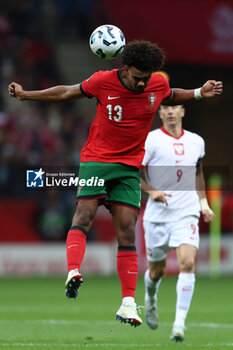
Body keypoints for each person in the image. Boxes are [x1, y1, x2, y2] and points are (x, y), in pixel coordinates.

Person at [8, 40, 222, 327]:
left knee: (127, 233)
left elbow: (170, 96)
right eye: (137, 77)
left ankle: (128, 303)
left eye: (146, 78)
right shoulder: (102, 82)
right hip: (97, 160)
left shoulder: (155, 84)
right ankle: (73, 270)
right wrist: (26, 95)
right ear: (126, 68)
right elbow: (66, 94)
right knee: (84, 215)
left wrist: (198, 93)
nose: (141, 83)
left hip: (129, 168)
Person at [141, 104, 215, 339]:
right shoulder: (150, 141)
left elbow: (198, 173)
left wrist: (203, 203)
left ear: (183, 112)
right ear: (160, 113)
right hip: (157, 216)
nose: (171, 111)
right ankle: (150, 297)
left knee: (187, 264)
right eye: (165, 108)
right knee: (156, 272)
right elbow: (132, 172)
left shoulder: (196, 142)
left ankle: (179, 325)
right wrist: (152, 192)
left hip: (186, 212)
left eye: (175, 107)